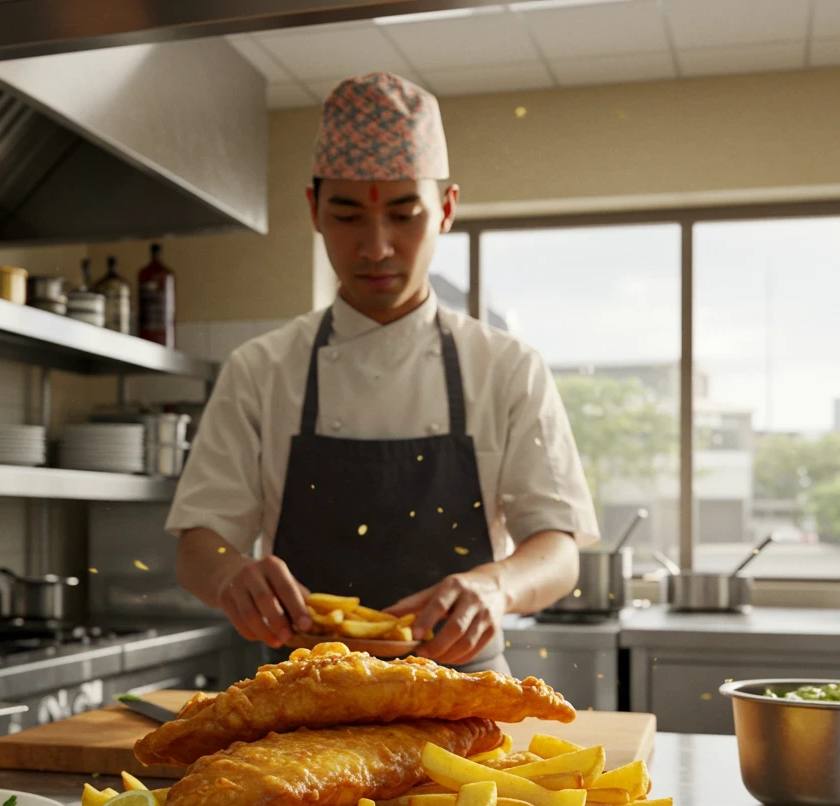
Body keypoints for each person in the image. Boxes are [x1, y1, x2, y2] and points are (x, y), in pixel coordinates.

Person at [166, 71, 599, 672]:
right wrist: (231, 574)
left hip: (461, 686)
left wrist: (496, 587)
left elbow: (558, 547)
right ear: (314, 209)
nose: (376, 247)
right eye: (347, 216)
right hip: (306, 689)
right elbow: (199, 544)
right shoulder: (260, 370)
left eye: (405, 215)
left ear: (446, 211)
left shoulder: (507, 368)